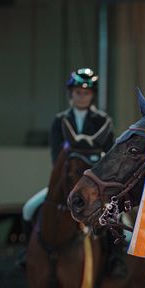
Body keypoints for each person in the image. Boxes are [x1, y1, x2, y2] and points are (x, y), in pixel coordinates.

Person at [20, 68, 124, 277]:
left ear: (91, 95)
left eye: (86, 93)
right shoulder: (59, 121)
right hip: (66, 181)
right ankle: (26, 254)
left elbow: (110, 155)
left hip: (96, 185)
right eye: (78, 92)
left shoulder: (103, 121)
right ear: (71, 93)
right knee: (28, 209)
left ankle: (115, 260)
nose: (82, 96)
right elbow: (56, 156)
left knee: (121, 219)